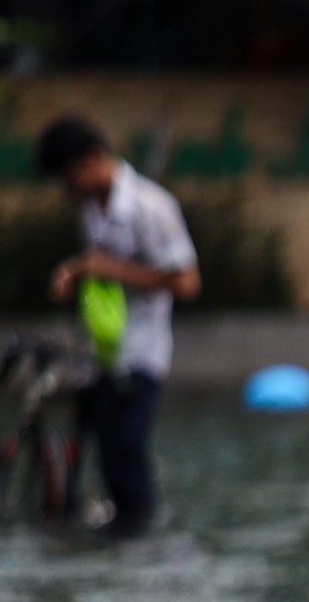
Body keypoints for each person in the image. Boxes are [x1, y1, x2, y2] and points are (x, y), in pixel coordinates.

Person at [34, 116, 200, 539]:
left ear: (92, 160)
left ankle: (143, 543)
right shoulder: (92, 210)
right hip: (99, 353)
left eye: (71, 177)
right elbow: (102, 277)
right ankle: (111, 541)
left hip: (141, 354)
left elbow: (186, 282)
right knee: (100, 455)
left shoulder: (150, 206)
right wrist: (76, 279)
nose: (69, 190)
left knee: (127, 454)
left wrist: (109, 269)